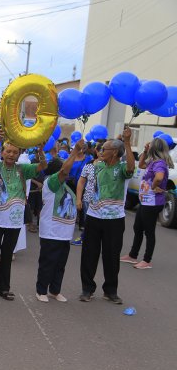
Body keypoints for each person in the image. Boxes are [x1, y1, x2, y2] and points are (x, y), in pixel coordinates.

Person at [0, 128, 47, 301]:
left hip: (14, 220)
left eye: (15, 152)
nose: (11, 154)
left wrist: (40, 152)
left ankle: (4, 288)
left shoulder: (22, 169)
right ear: (2, 153)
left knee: (7, 254)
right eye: (8, 151)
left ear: (18, 155)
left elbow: (42, 166)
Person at [80, 127, 135, 304]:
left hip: (115, 220)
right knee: (89, 254)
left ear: (115, 154)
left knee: (111, 256)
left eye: (105, 149)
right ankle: (87, 289)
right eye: (101, 149)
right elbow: (85, 175)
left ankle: (110, 290)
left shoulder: (122, 169)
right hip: (94, 216)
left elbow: (131, 166)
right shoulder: (97, 165)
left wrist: (126, 142)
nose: (101, 151)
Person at [35, 140, 84, 303]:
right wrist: (75, 152)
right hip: (51, 231)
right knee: (48, 262)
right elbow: (64, 170)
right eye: (64, 169)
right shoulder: (51, 183)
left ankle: (55, 290)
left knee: (60, 264)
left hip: (65, 234)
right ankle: (41, 290)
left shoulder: (68, 186)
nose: (68, 171)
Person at [121, 137, 173, 269]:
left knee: (149, 232)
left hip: (153, 202)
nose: (148, 146)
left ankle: (146, 260)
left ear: (154, 148)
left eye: (150, 146)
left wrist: (155, 186)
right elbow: (141, 164)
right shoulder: (153, 162)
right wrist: (144, 152)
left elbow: (159, 177)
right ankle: (133, 255)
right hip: (146, 202)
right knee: (138, 228)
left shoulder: (160, 163)